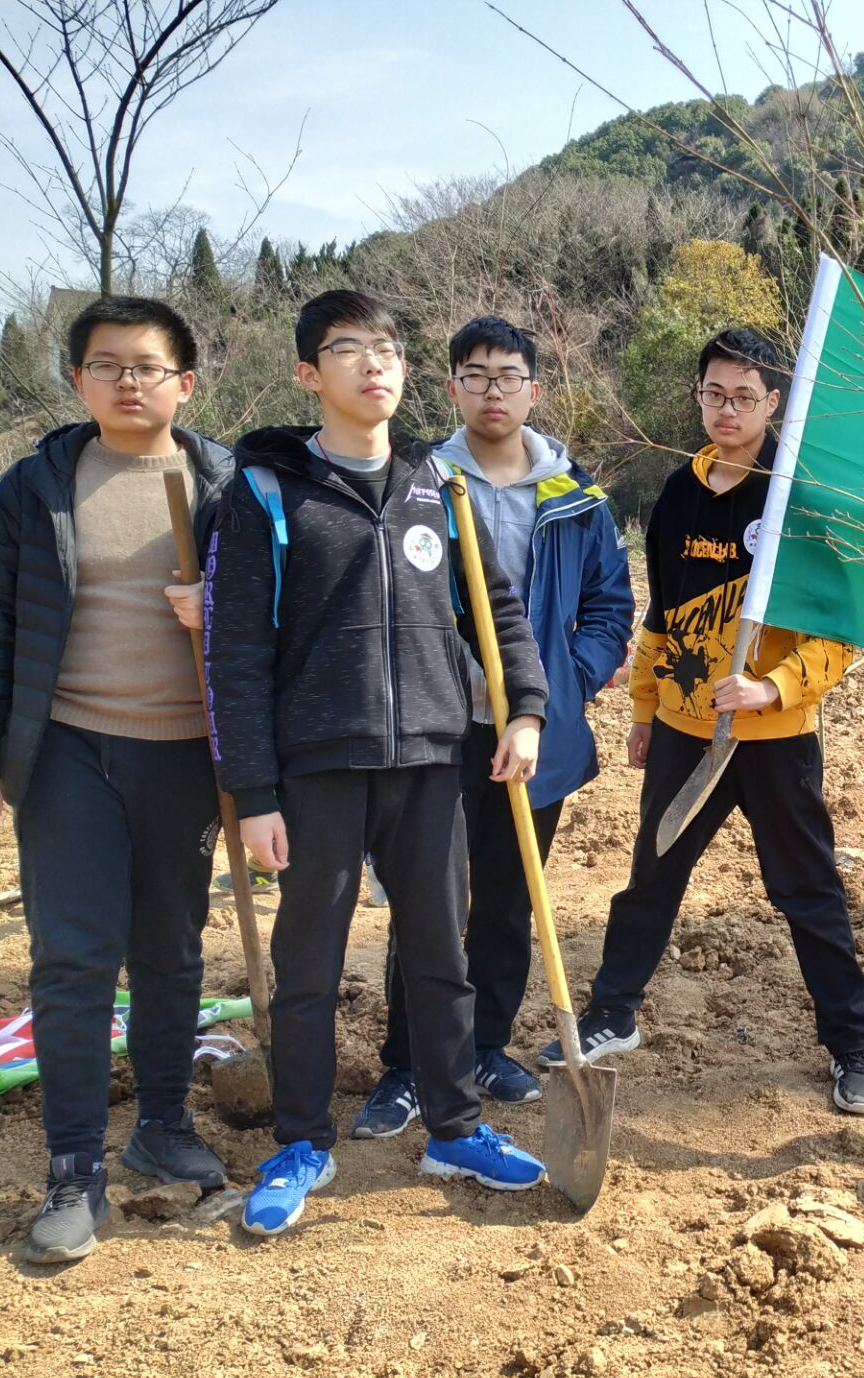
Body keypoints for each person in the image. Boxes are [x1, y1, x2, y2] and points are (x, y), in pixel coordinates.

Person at [205, 289, 552, 1235]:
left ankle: (454, 1125)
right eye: (349, 349)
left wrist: (524, 709)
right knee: (308, 962)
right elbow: (232, 653)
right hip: (316, 767)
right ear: (308, 374)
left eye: (389, 349)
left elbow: (499, 613)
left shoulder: (440, 488)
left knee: (442, 953)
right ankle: (301, 1142)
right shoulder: (267, 493)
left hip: (434, 755)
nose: (375, 365)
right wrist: (254, 791)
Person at [539, 328, 864, 1115]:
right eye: (713, 394)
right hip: (687, 735)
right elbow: (661, 615)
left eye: (744, 397)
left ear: (774, 403)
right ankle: (611, 1014)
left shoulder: (800, 498)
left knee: (808, 892)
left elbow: (839, 632)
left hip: (774, 742)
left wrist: (775, 690)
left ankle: (851, 1047)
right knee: (652, 877)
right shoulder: (678, 492)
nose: (726, 410)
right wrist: (647, 710)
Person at [0, 297, 233, 1263]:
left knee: (171, 949)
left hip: (184, 752)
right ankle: (75, 1168)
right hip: (68, 751)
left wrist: (217, 609)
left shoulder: (226, 487)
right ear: (78, 380)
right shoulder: (35, 487)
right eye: (107, 364)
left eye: (148, 365)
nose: (129, 381)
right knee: (76, 956)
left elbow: (270, 621)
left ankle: (163, 1123)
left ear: (186, 382)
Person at [352, 316, 633, 1138]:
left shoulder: (574, 496)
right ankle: (409, 1063)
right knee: (427, 900)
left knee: (512, 900)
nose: (493, 390)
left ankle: (482, 1045)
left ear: (533, 390)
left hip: (533, 736)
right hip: (441, 729)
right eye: (475, 376)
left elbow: (608, 609)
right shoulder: (418, 484)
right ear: (452, 389)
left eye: (508, 376)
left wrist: (560, 687)